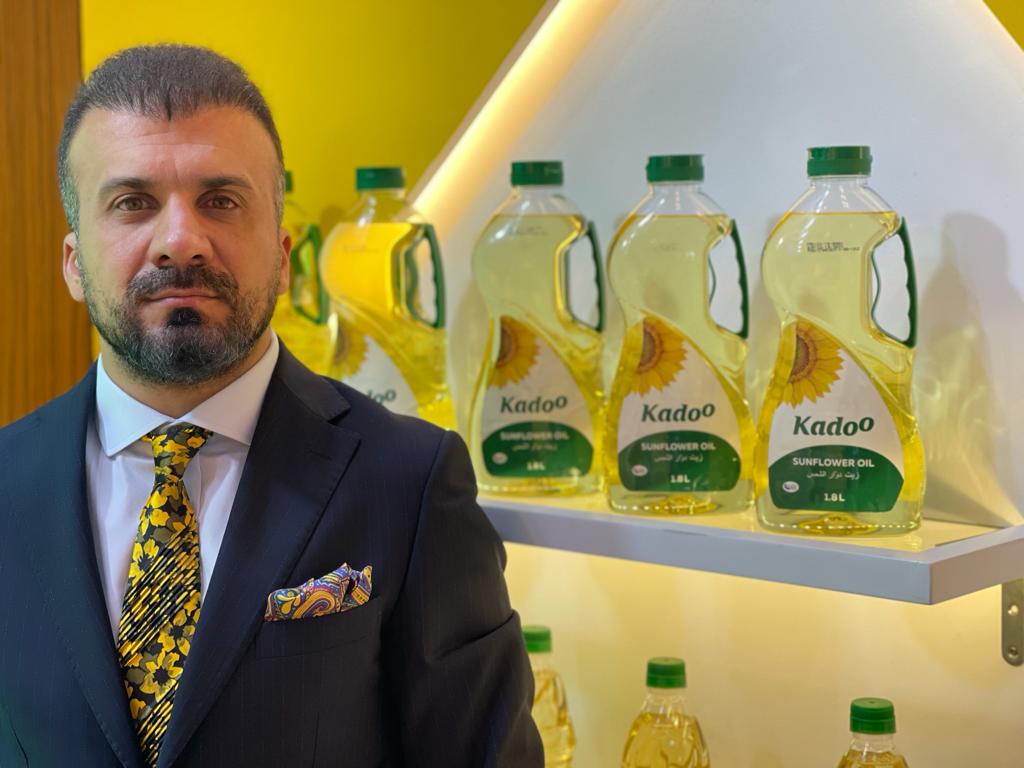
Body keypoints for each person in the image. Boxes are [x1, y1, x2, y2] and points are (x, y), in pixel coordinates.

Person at [0, 44, 541, 767]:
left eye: (221, 201)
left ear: (284, 256)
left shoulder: (410, 482)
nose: (180, 241)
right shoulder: (6, 482)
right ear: (74, 263)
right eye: (132, 203)